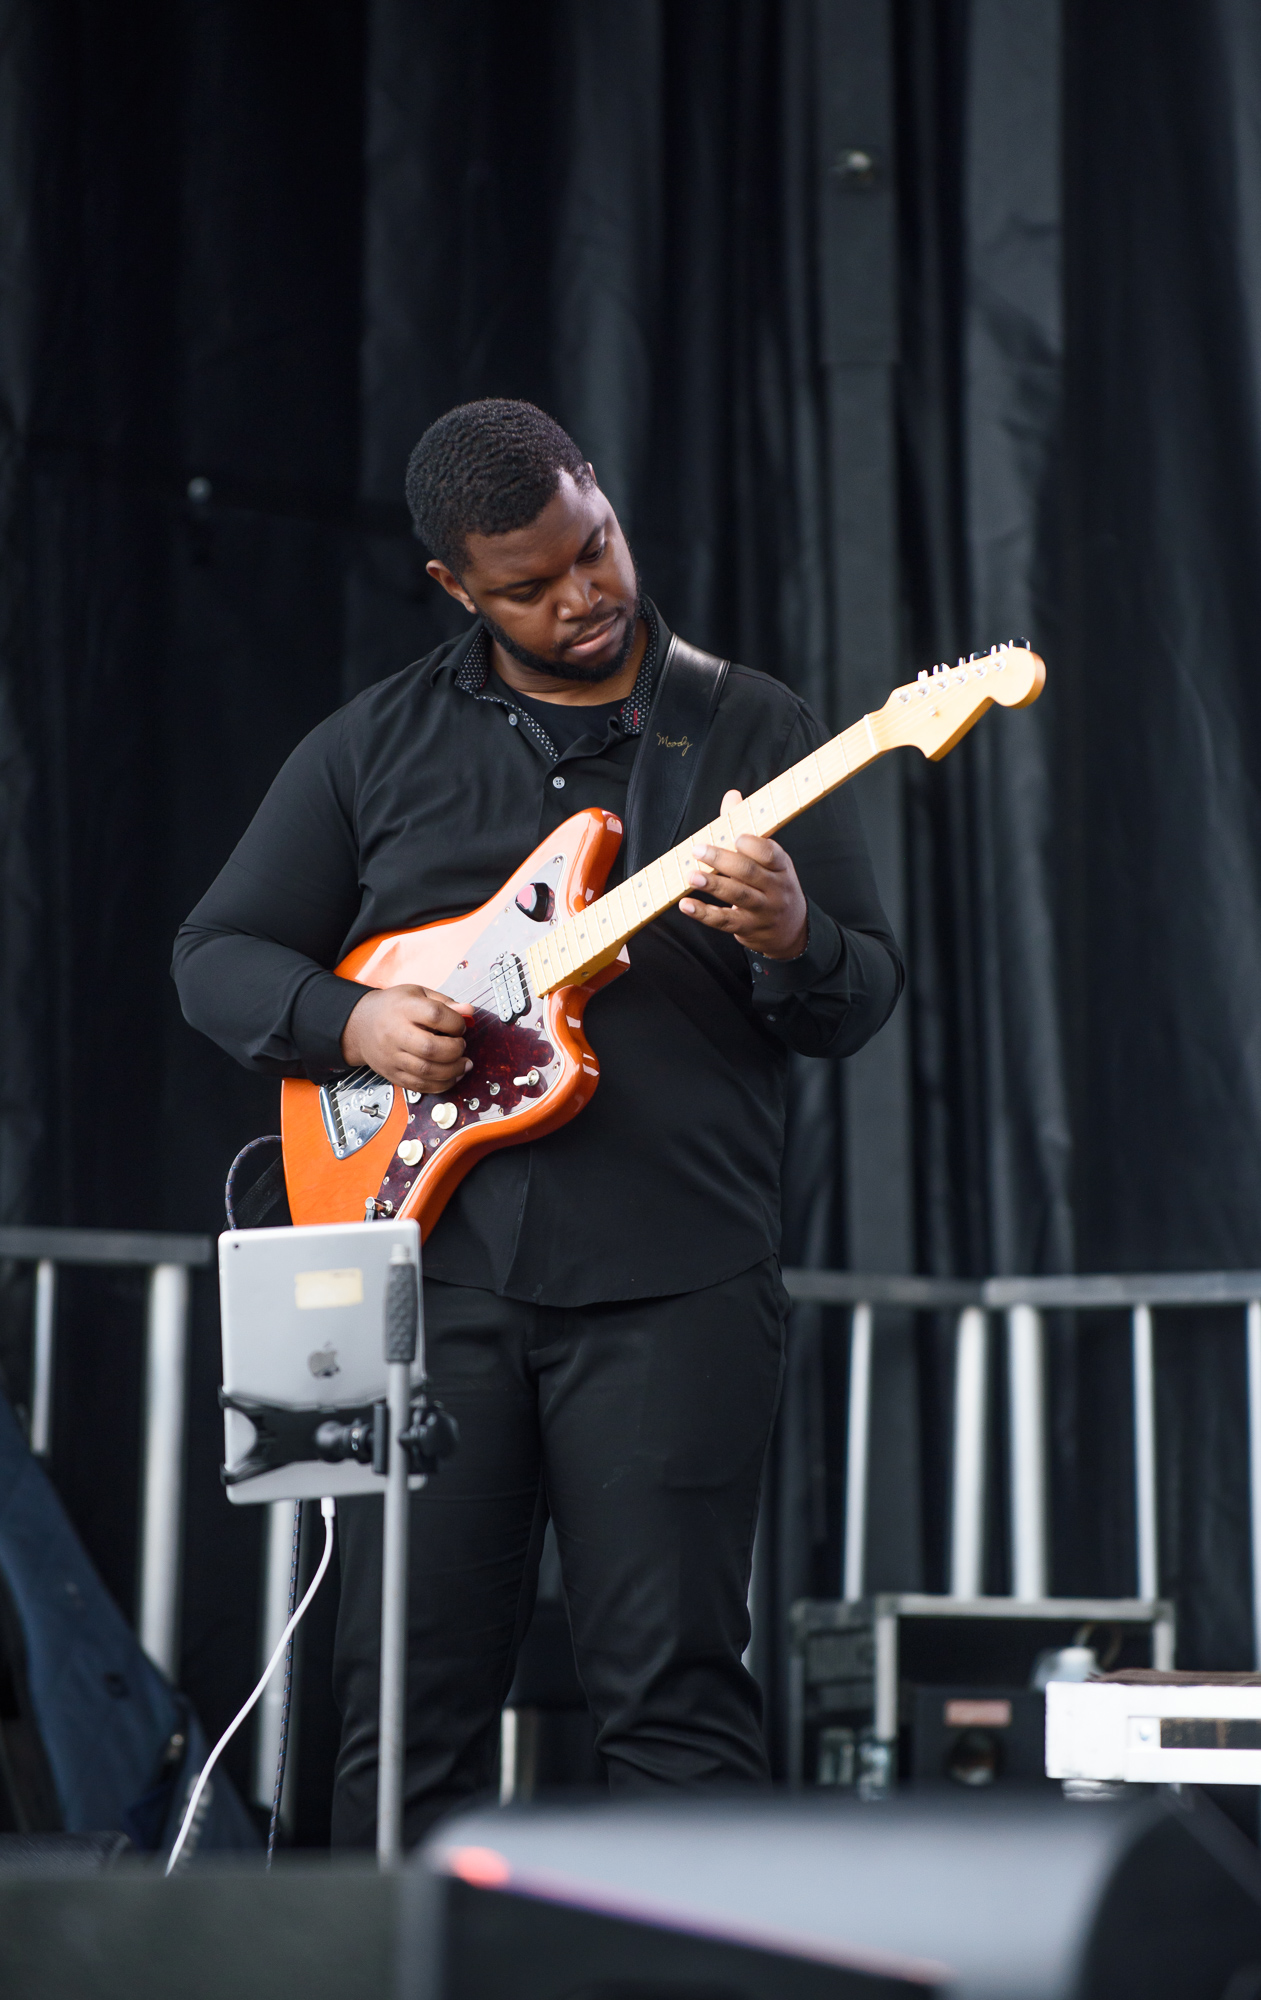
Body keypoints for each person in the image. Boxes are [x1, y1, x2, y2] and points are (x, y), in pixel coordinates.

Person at [172, 398, 902, 1846]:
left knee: (678, 1690)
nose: (584, 595)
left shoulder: (748, 723)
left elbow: (854, 999)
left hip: (678, 1282)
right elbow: (218, 956)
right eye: (531, 582)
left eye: (597, 547)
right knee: (405, 1694)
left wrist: (793, 933)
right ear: (454, 586)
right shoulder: (370, 748)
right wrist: (356, 1023)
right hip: (429, 1288)